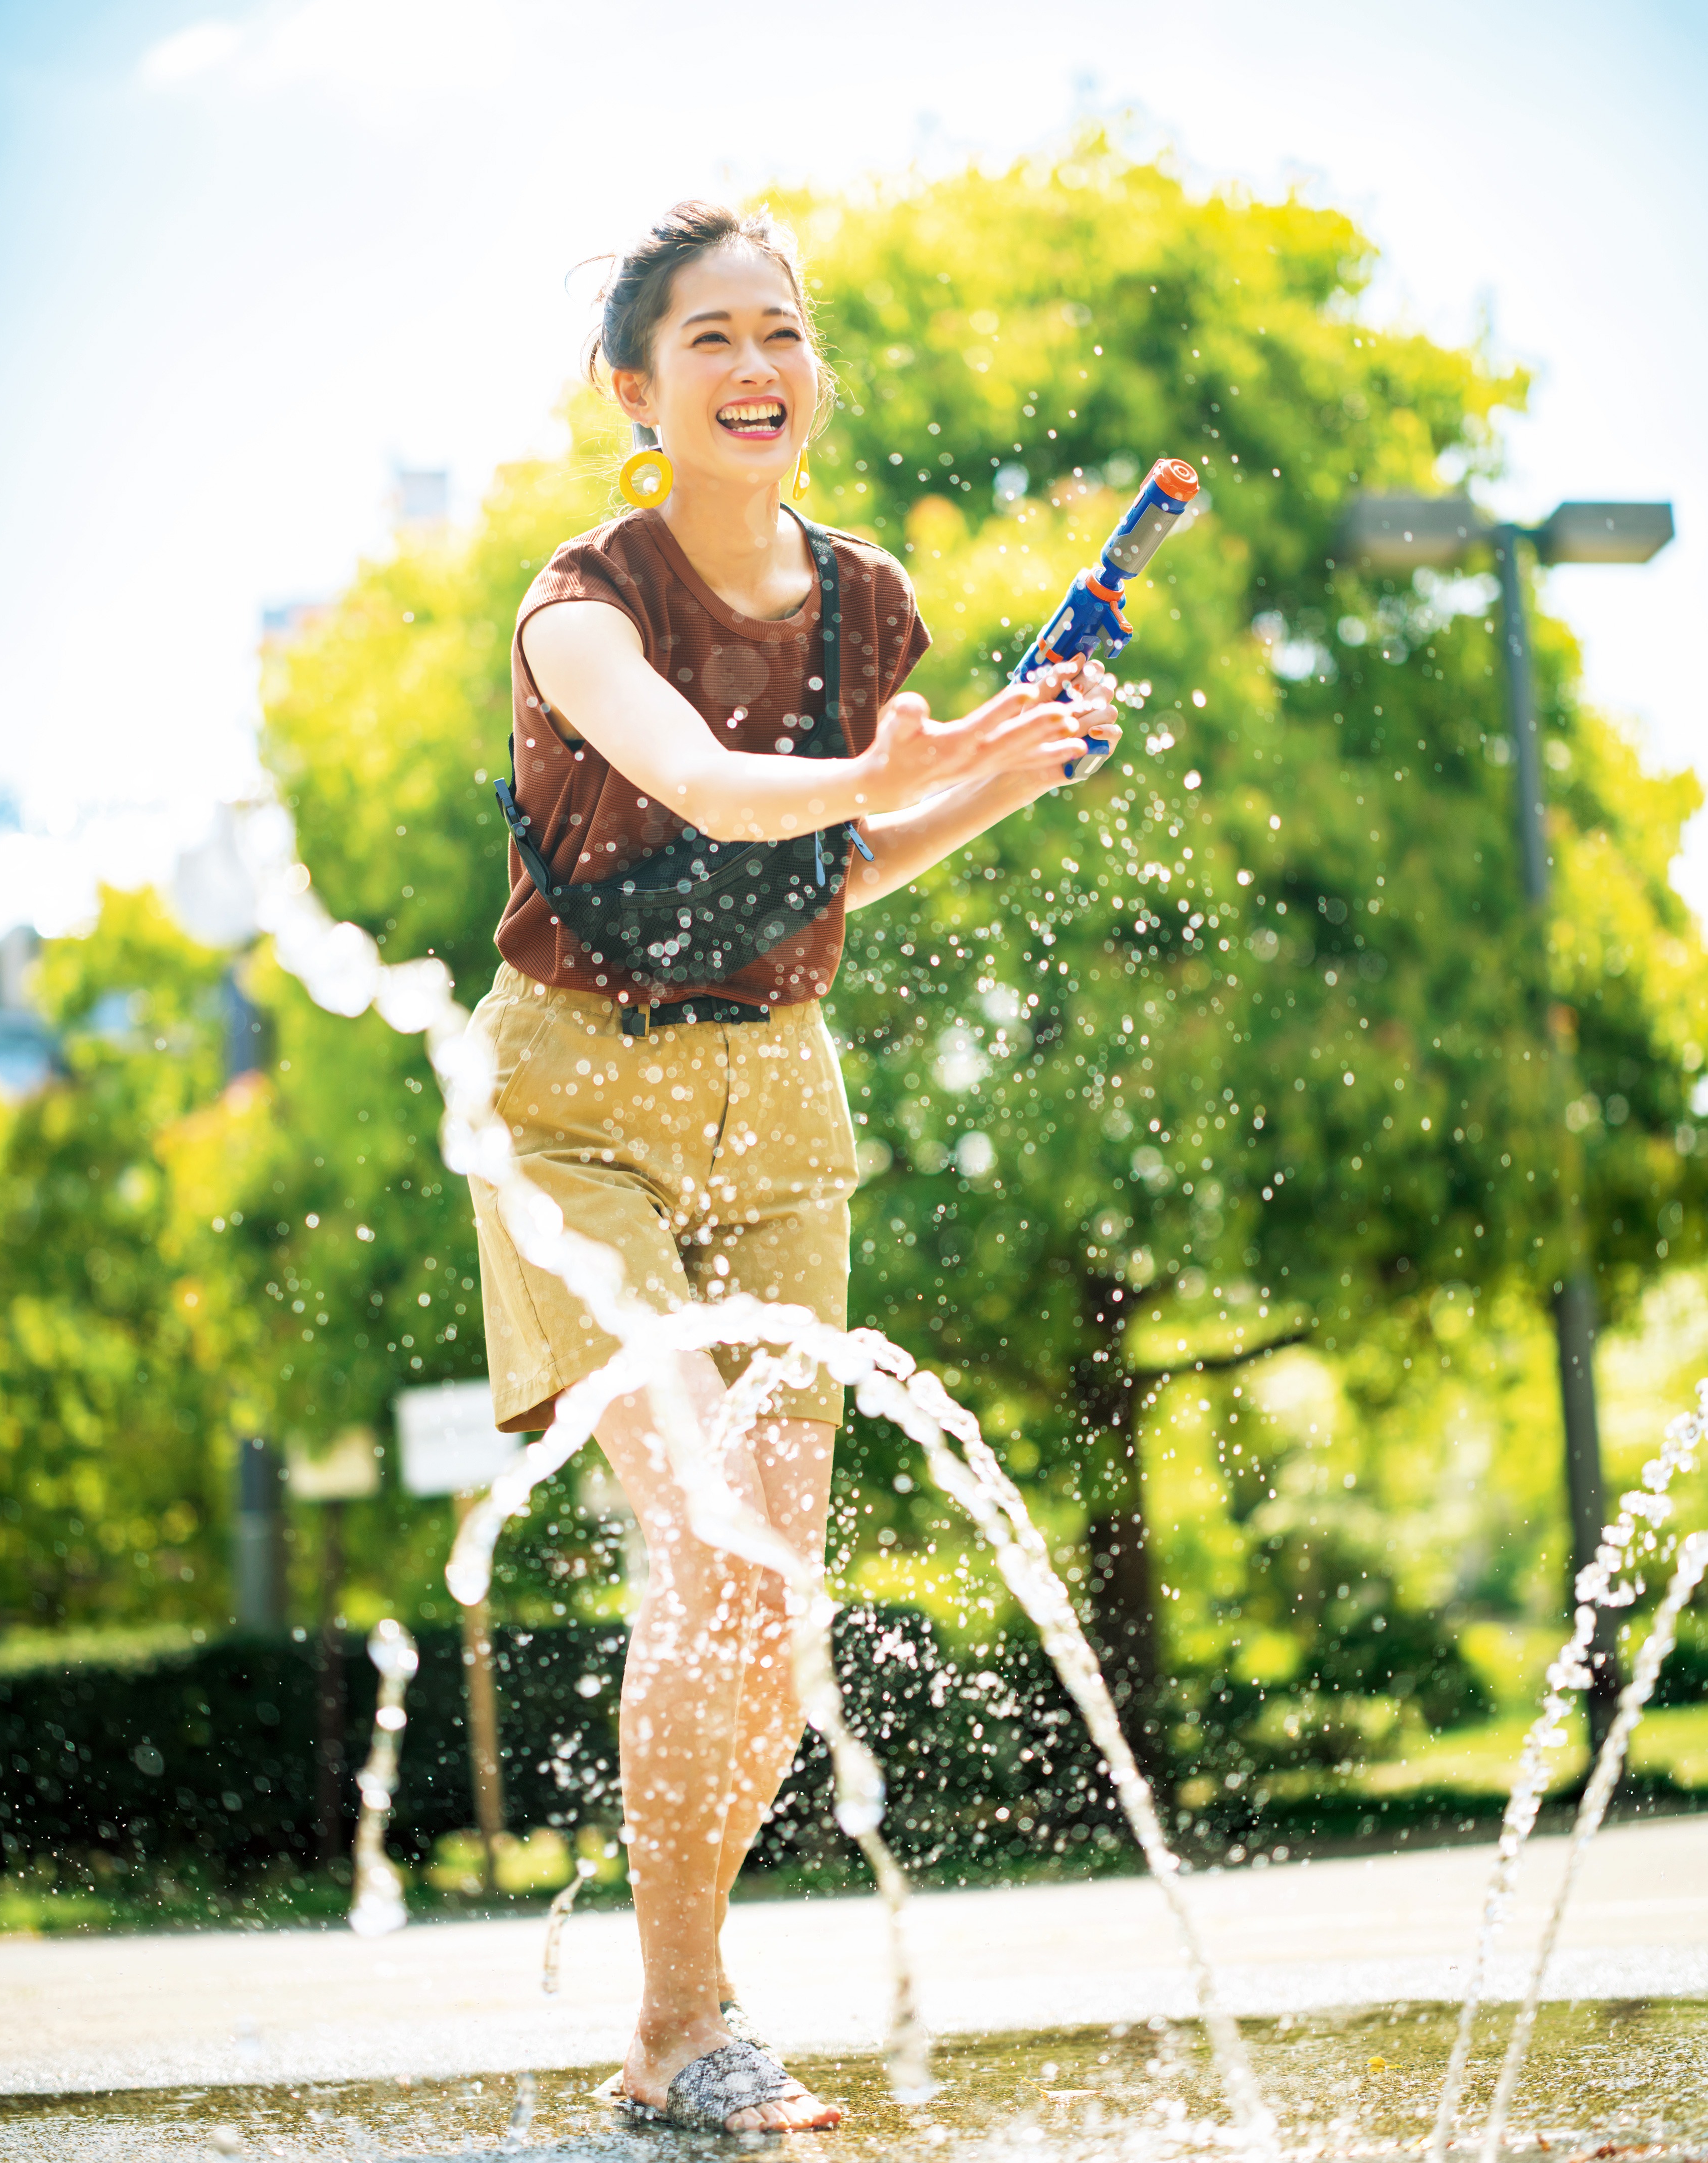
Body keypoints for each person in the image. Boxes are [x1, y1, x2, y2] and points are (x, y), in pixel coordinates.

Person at [467, 198, 1118, 2133]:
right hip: (571, 1114)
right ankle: (690, 2017)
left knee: (767, 1587)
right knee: (708, 1546)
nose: (760, 368)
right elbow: (702, 783)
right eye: (713, 341)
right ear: (634, 391)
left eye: (785, 332)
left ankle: (681, 2023)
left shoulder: (869, 606)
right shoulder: (580, 604)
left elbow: (824, 865)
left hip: (782, 1117)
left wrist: (1003, 766)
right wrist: (884, 774)